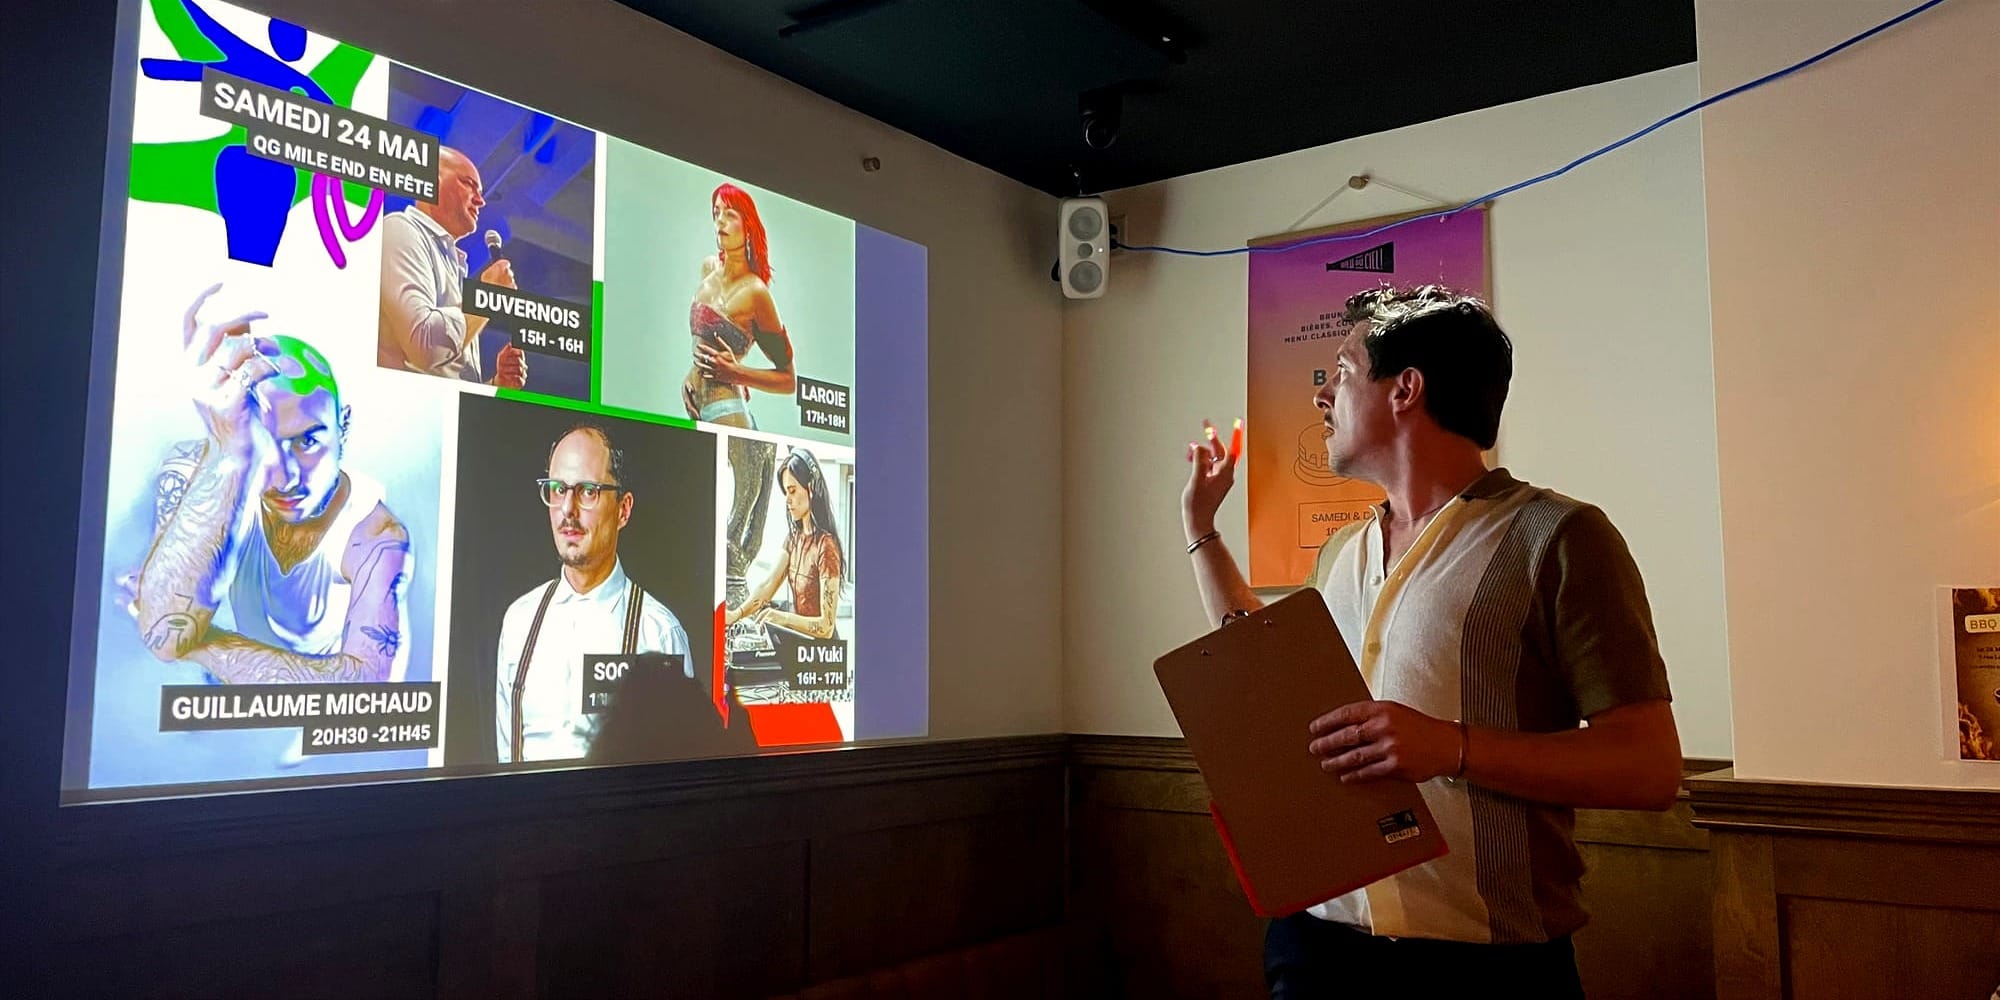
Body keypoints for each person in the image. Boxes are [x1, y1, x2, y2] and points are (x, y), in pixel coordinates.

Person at [1180, 285, 1683, 998]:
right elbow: (1255, 655)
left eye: (1344, 372)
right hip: (1314, 947)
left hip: (1484, 968)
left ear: (1406, 389)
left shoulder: (1559, 538)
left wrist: (1450, 746)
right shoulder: (1339, 555)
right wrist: (1201, 526)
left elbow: (1650, 768)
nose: (1322, 397)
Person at [131, 284, 413, 685]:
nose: (284, 477)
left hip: (314, 743)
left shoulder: (375, 536)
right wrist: (232, 455)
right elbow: (163, 634)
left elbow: (365, 687)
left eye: (308, 442)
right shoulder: (196, 470)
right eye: (265, 441)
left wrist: (202, 643)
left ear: (343, 428)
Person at [496, 422, 692, 763]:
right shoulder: (519, 621)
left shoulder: (659, 633)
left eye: (587, 491)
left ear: (624, 509)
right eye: (558, 489)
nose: (568, 510)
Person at [684, 184, 796, 601]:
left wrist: (738, 372)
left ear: (748, 226)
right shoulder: (706, 269)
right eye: (716, 212)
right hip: (700, 405)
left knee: (740, 511)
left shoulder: (757, 293)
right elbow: (704, 342)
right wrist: (690, 371)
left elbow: (788, 379)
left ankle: (729, 613)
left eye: (730, 214)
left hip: (730, 410)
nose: (720, 222)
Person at [378, 145, 528, 388]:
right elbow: (424, 347)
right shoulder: (400, 228)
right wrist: (486, 297)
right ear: (431, 182)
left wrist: (497, 382)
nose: (480, 201)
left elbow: (448, 377)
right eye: (468, 184)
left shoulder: (455, 263)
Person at [726, 448, 844, 642]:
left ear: (811, 489)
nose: (788, 500)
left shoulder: (827, 546)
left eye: (792, 490)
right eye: (785, 492)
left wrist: (782, 617)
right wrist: (736, 614)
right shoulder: (793, 539)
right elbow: (768, 584)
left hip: (825, 656)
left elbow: (826, 627)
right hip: (800, 650)